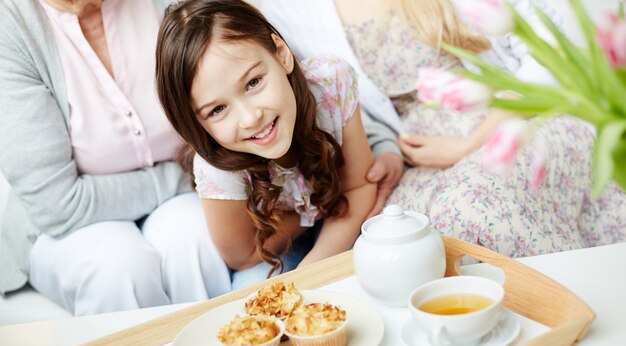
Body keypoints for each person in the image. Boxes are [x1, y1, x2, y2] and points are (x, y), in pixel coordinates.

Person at [260, 0, 626, 258]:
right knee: (414, 235)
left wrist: (468, 145)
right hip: (418, 164)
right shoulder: (285, 10)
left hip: (515, 122)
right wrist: (386, 150)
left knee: (476, 200)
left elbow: (550, 54)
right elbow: (333, 102)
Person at [0, 0, 232, 315]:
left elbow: (231, 100)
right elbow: (58, 205)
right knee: (118, 268)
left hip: (182, 192)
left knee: (197, 239)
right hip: (70, 223)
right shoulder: (10, 25)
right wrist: (181, 177)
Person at [155, 0, 376, 287]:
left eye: (253, 82)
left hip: (342, 213)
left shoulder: (330, 83)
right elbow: (243, 255)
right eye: (217, 110)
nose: (250, 118)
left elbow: (359, 187)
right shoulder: (216, 166)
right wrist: (314, 214)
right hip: (271, 244)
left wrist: (313, 269)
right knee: (253, 286)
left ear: (281, 54)